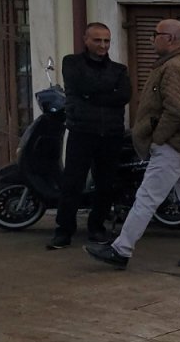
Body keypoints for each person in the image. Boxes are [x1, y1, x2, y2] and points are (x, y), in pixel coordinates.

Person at [84, 19, 180, 270]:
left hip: (171, 146)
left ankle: (121, 250)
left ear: (170, 38)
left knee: (146, 198)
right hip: (179, 146)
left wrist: (158, 138)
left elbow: (176, 110)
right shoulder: (176, 64)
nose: (152, 39)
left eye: (156, 34)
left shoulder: (175, 68)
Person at [48, 22, 131, 250]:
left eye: (106, 40)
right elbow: (81, 84)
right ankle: (63, 231)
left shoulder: (119, 70)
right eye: (97, 40)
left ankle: (97, 227)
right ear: (86, 40)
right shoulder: (71, 62)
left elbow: (124, 95)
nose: (103, 45)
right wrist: (106, 92)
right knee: (72, 183)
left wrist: (92, 95)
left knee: (106, 184)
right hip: (82, 132)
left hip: (111, 134)